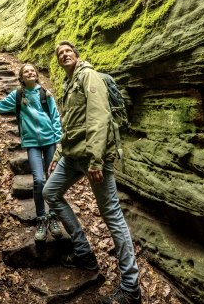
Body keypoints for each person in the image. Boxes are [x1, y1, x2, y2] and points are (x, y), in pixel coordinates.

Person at [43, 41, 142, 304]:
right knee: (50, 192)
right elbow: (68, 124)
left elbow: (99, 117)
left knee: (112, 215)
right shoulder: (68, 83)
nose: (64, 54)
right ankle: (84, 252)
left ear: (76, 55)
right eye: (60, 53)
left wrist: (96, 160)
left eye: (68, 51)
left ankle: (131, 288)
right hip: (73, 154)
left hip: (92, 157)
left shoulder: (88, 76)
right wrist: (57, 154)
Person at [0, 63, 63, 242]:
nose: (30, 72)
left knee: (52, 179)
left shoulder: (45, 93)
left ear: (36, 75)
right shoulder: (17, 95)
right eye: (26, 71)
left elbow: (55, 117)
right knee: (38, 180)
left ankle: (53, 217)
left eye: (32, 70)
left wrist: (58, 140)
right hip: (32, 144)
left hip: (50, 141)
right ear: (21, 77)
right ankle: (41, 218)